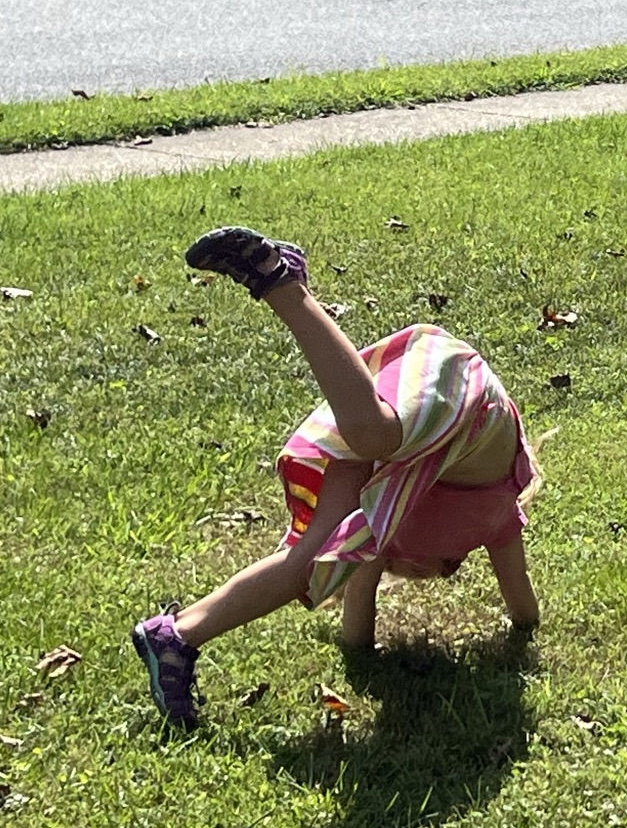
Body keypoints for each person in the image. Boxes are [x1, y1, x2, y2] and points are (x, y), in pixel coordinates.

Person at [130, 227, 542, 728]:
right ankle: (285, 286)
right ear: (451, 561)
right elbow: (524, 609)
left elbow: (355, 629)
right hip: (475, 403)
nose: (416, 568)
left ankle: (176, 636)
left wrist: (364, 637)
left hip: (417, 419)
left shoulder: (378, 531)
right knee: (372, 435)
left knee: (310, 561)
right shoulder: (496, 517)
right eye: (419, 570)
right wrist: (522, 633)